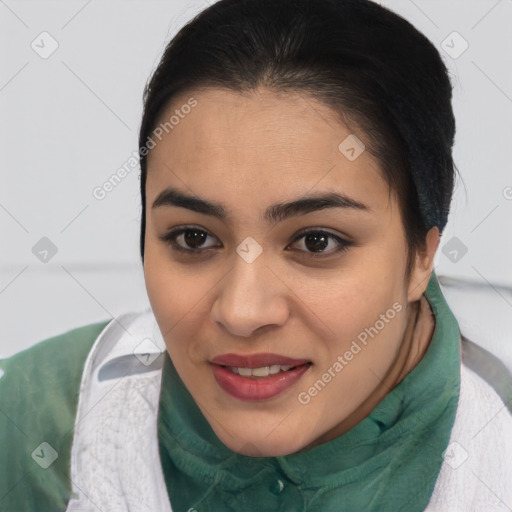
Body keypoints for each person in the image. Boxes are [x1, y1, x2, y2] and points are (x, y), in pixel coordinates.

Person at [1, 0, 511, 510]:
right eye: (194, 238)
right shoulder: (29, 432)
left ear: (423, 256)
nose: (242, 313)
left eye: (316, 241)